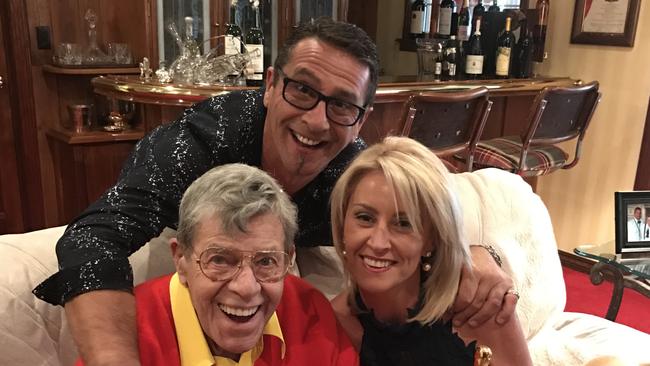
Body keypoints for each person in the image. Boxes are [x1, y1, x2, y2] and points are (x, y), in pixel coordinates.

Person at [33, 18, 514, 365]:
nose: (315, 120)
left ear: (362, 118)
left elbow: (420, 223)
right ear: (269, 85)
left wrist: (477, 252)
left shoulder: (353, 175)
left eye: (343, 105)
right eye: (301, 90)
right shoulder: (205, 137)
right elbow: (93, 239)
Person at [76, 163, 358, 365]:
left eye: (266, 261)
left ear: (289, 258)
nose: (246, 288)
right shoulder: (125, 336)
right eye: (221, 259)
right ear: (181, 259)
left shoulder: (312, 314)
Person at [330, 136, 532, 365]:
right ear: (342, 224)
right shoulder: (332, 323)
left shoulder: (478, 304)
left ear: (432, 238)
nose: (378, 243)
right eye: (364, 218)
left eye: (403, 224)